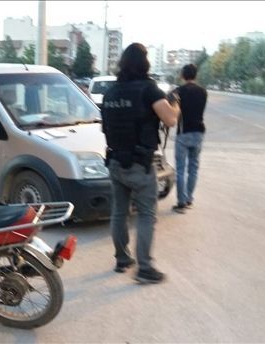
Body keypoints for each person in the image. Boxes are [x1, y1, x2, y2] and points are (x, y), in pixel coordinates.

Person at [101, 43, 180, 284]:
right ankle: (145, 268)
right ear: (145, 64)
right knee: (147, 214)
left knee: (119, 212)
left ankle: (122, 259)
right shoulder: (149, 89)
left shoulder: (111, 92)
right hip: (139, 163)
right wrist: (175, 104)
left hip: (115, 161)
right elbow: (170, 119)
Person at [172, 64, 207, 214]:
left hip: (183, 132)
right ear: (195, 75)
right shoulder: (203, 92)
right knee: (193, 168)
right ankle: (189, 199)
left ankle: (181, 203)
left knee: (180, 169)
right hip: (199, 132)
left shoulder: (178, 91)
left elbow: (170, 107)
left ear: (182, 75)